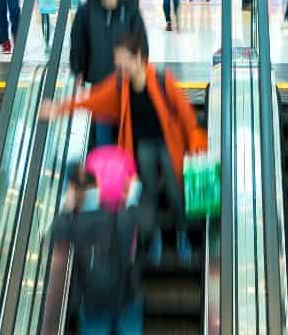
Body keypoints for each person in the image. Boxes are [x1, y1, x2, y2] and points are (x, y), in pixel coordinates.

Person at [41, 31, 208, 264]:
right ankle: (152, 237)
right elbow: (92, 98)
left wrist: (196, 139)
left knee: (176, 190)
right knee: (147, 193)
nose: (119, 66)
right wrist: (59, 108)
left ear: (138, 56)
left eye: (123, 60)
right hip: (143, 147)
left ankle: (183, 234)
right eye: (117, 61)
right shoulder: (121, 83)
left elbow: (186, 115)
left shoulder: (161, 79)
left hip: (169, 145)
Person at [47, 162, 152, 335]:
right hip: (125, 300)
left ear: (74, 192)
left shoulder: (73, 223)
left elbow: (53, 234)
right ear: (97, 187)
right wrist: (132, 198)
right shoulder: (117, 216)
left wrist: (67, 207)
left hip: (91, 305)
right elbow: (144, 223)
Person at [69, 0, 148, 147]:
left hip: (126, 85)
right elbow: (78, 41)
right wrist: (78, 70)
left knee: (128, 138)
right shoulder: (88, 8)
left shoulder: (128, 6)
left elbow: (141, 42)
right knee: (103, 140)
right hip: (100, 85)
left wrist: (140, 73)